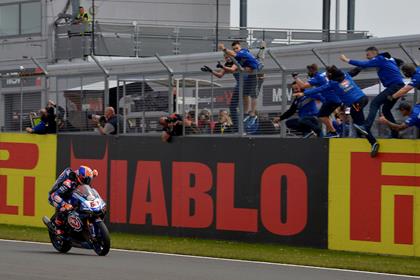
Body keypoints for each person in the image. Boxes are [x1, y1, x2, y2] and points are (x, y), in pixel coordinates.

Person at [297, 65, 379, 156]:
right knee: (359, 122)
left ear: (331, 74)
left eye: (327, 74)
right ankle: (373, 142)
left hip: (356, 103)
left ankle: (366, 129)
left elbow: (319, 89)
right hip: (363, 98)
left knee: (357, 121)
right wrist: (363, 65)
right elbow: (355, 70)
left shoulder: (333, 84)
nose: (326, 76)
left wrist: (304, 93)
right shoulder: (346, 75)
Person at [340, 46, 405, 139]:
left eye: (368, 54)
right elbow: (400, 61)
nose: (367, 57)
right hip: (398, 85)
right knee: (386, 110)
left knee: (374, 103)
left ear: (374, 53)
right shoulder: (387, 59)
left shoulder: (379, 59)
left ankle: (366, 127)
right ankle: (395, 134)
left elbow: (365, 63)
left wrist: (347, 60)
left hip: (395, 86)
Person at [293, 63, 342, 138]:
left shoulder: (316, 78)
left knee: (322, 116)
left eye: (308, 71)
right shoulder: (323, 74)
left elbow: (303, 86)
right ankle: (332, 132)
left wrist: (295, 77)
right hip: (335, 98)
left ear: (311, 71)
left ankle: (334, 132)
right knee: (325, 115)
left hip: (331, 99)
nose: (308, 73)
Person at [48, 166, 98, 236]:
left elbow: (90, 175)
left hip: (69, 193)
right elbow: (54, 195)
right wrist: (64, 204)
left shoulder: (82, 177)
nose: (86, 182)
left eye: (88, 180)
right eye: (85, 180)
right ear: (79, 177)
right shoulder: (68, 183)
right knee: (65, 209)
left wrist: (93, 174)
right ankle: (57, 226)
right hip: (56, 196)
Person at [218, 41, 262, 117]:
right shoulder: (238, 59)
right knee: (245, 95)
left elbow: (234, 56)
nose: (235, 50)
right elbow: (232, 69)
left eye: (237, 48)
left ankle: (252, 112)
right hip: (250, 73)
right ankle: (245, 112)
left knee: (253, 95)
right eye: (234, 49)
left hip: (255, 72)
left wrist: (223, 48)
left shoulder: (242, 52)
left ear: (240, 47)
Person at [201, 56, 240, 131]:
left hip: (244, 82)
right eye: (225, 57)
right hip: (239, 84)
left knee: (238, 106)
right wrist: (211, 71)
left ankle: (238, 127)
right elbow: (220, 75)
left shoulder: (236, 62)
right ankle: (237, 127)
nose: (227, 59)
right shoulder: (226, 64)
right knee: (232, 106)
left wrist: (222, 66)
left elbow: (232, 69)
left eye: (229, 57)